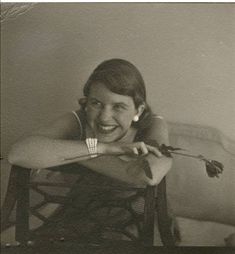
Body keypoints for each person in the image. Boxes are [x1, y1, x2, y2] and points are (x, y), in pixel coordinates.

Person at [8, 58, 173, 244]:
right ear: (86, 103)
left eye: (119, 107)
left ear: (139, 110)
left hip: (132, 229)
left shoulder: (152, 125)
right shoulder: (78, 120)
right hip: (74, 223)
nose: (104, 117)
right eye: (96, 103)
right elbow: (18, 153)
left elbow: (149, 174)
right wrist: (104, 148)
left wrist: (68, 153)